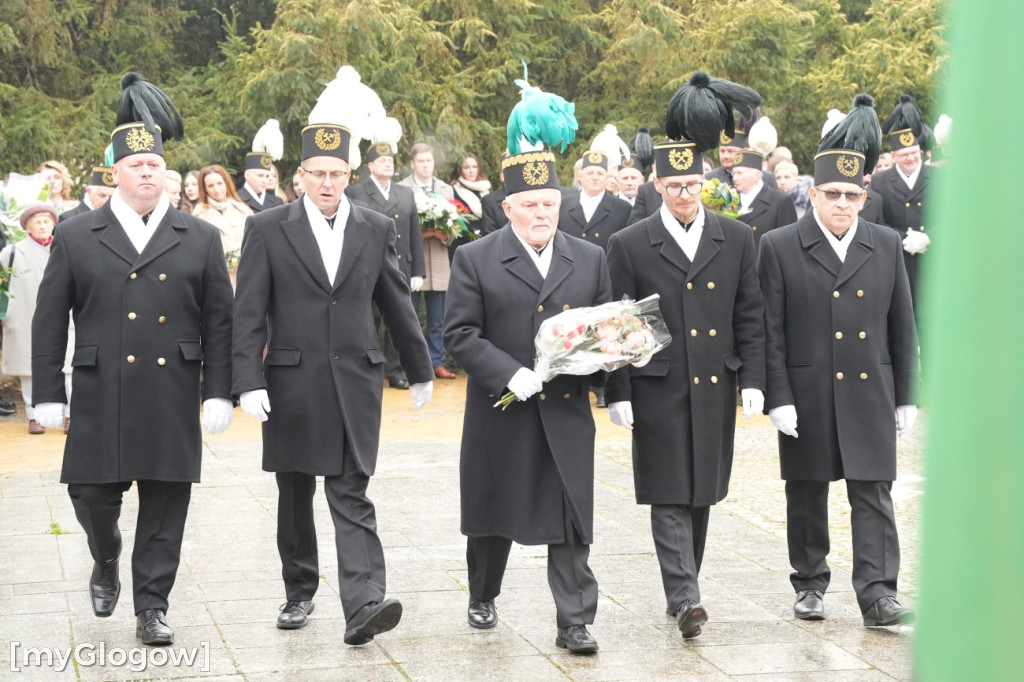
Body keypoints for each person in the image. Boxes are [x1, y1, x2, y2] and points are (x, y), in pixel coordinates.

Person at [31, 72, 234, 646]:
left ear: (165, 173)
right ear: (115, 171)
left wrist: (219, 389)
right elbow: (50, 318)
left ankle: (152, 606)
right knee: (90, 495)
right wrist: (47, 393)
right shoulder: (77, 234)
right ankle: (105, 554)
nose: (147, 172)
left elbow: (220, 319)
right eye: (135, 165)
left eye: (155, 165)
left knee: (166, 501)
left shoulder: (198, 236)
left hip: (172, 389)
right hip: (102, 387)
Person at [232, 89, 434, 645]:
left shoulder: (374, 226)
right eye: (317, 173)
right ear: (300, 176)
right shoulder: (267, 228)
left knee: (351, 491)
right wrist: (247, 380)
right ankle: (299, 591)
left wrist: (419, 367)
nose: (326, 183)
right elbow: (248, 312)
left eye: (336, 174)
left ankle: (364, 602)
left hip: (354, 382)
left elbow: (396, 301)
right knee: (295, 494)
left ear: (349, 175)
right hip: (291, 383)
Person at [606, 71, 765, 640]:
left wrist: (755, 379)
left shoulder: (736, 238)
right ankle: (685, 597)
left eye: (692, 186)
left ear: (705, 182)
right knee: (668, 492)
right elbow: (622, 321)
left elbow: (750, 313)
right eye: (673, 187)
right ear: (656, 183)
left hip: (715, 382)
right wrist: (617, 390)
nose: (684, 196)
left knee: (701, 494)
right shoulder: (628, 244)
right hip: (658, 383)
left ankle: (684, 586)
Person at [758, 94, 918, 628]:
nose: (843, 204)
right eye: (833, 194)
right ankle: (809, 583)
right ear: (813, 195)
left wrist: (908, 394)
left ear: (864, 197)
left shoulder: (885, 243)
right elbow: (770, 329)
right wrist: (777, 395)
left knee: (873, 492)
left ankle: (878, 593)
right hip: (809, 390)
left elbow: (902, 324)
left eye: (852, 195)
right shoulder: (780, 245)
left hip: (870, 387)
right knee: (807, 493)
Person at [444, 148, 611, 655]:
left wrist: (608, 365)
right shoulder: (476, 257)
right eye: (530, 205)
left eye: (549, 204)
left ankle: (574, 620)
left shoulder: (589, 257)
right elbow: (460, 333)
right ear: (508, 207)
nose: (542, 214)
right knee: (492, 510)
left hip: (564, 408)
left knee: (570, 513)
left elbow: (603, 329)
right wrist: (507, 372)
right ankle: (483, 592)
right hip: (502, 408)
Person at [346, 140, 426, 389]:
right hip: (367, 267)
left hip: (400, 266)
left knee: (399, 318)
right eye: (382, 160)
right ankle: (365, 367)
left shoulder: (405, 193)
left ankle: (396, 371)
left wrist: (418, 271)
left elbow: (414, 233)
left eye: (390, 160)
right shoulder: (355, 192)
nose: (388, 164)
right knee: (368, 320)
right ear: (370, 165)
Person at [1, 202, 71, 434]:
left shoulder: (67, 248)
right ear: (27, 226)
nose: (42, 225)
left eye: (46, 221)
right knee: (29, 369)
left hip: (65, 316)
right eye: (36, 221)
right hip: (25, 317)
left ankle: (71, 414)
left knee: (69, 367)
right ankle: (34, 416)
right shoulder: (12, 253)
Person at [870, 94, 934, 316]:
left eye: (914, 153)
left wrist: (929, 237)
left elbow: (954, 217)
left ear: (921, 151)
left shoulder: (940, 177)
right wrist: (902, 238)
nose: (911, 158)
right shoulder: (879, 182)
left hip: (933, 261)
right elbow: (876, 221)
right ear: (894, 155)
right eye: (904, 154)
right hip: (898, 261)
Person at [398, 142, 457, 379]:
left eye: (429, 161)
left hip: (439, 259)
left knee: (437, 318)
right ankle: (410, 363)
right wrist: (424, 232)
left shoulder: (445, 189)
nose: (425, 165)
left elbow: (455, 226)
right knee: (408, 315)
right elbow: (399, 227)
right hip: (413, 261)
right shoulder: (402, 189)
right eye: (421, 161)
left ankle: (436, 362)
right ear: (412, 164)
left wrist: (444, 234)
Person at [191, 164, 253, 290]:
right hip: (216, 280)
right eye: (210, 186)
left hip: (245, 277)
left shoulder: (243, 210)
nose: (216, 189)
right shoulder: (199, 215)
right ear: (205, 189)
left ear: (226, 183)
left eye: (219, 183)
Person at [731, 148, 798, 249]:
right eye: (734, 173)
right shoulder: (729, 199)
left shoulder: (780, 200)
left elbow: (789, 243)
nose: (734, 178)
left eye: (739, 173)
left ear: (756, 176)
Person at [705, 113, 779, 190]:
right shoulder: (710, 177)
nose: (725, 156)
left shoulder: (765, 178)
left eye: (731, 151)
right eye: (722, 151)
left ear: (744, 150)